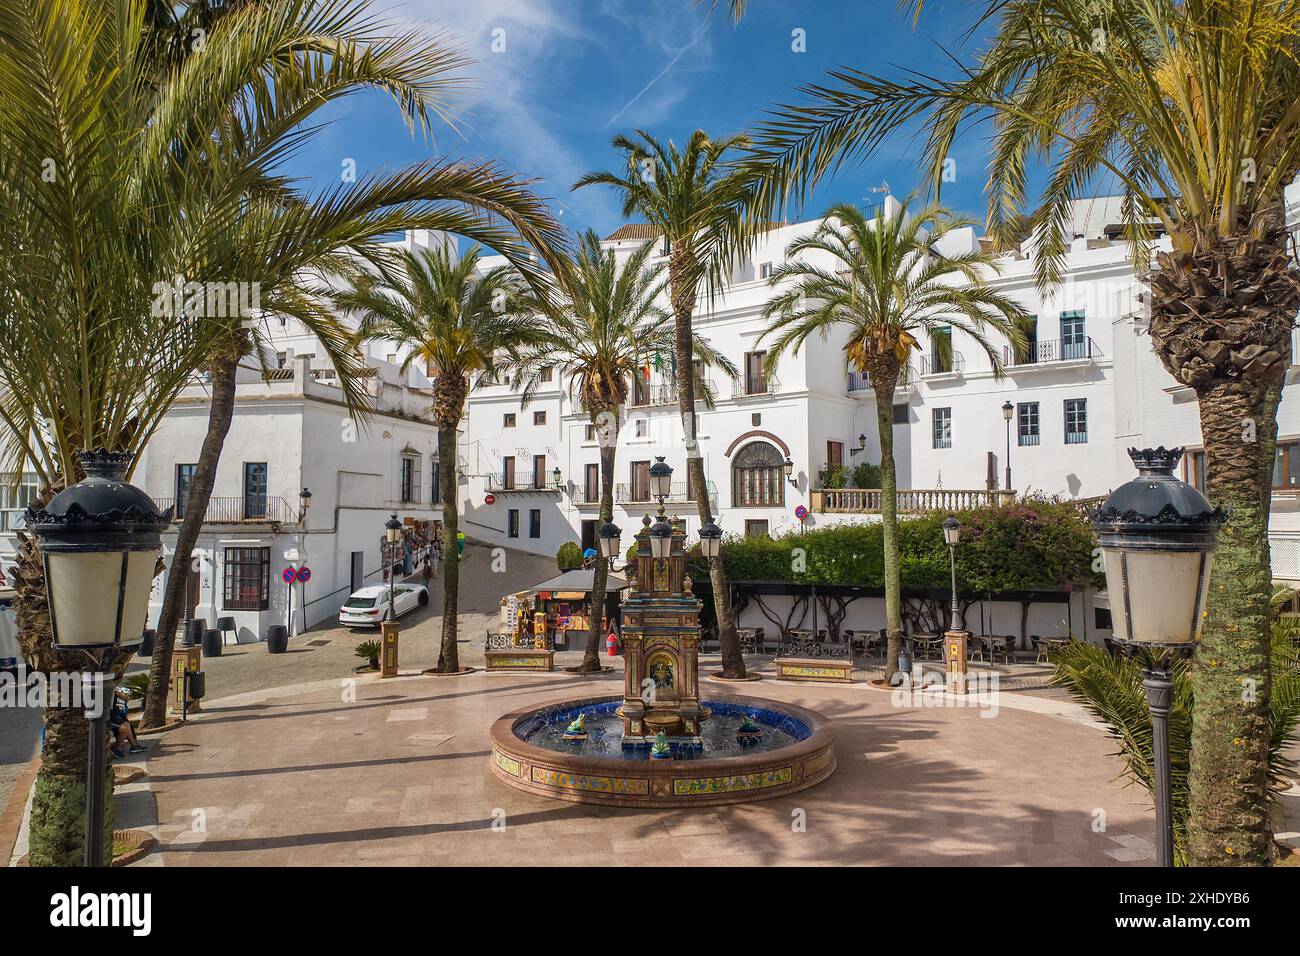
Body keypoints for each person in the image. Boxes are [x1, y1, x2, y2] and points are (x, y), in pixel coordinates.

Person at [109, 688, 145, 758]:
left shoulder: (114, 691)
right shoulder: (104, 691)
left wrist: (122, 692)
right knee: (125, 726)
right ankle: (117, 748)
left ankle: (133, 745)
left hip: (113, 717)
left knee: (126, 723)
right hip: (108, 720)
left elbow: (126, 699)